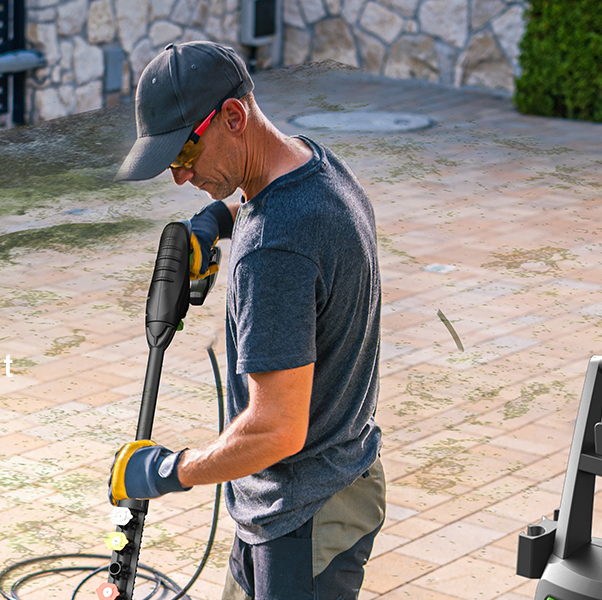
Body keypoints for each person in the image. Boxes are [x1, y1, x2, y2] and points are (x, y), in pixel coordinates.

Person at [106, 42, 386, 600]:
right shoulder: (316, 166)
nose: (180, 176)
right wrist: (220, 217)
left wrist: (166, 471)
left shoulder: (273, 254)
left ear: (232, 117)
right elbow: (284, 212)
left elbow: (275, 429)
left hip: (303, 515)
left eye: (184, 153)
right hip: (318, 483)